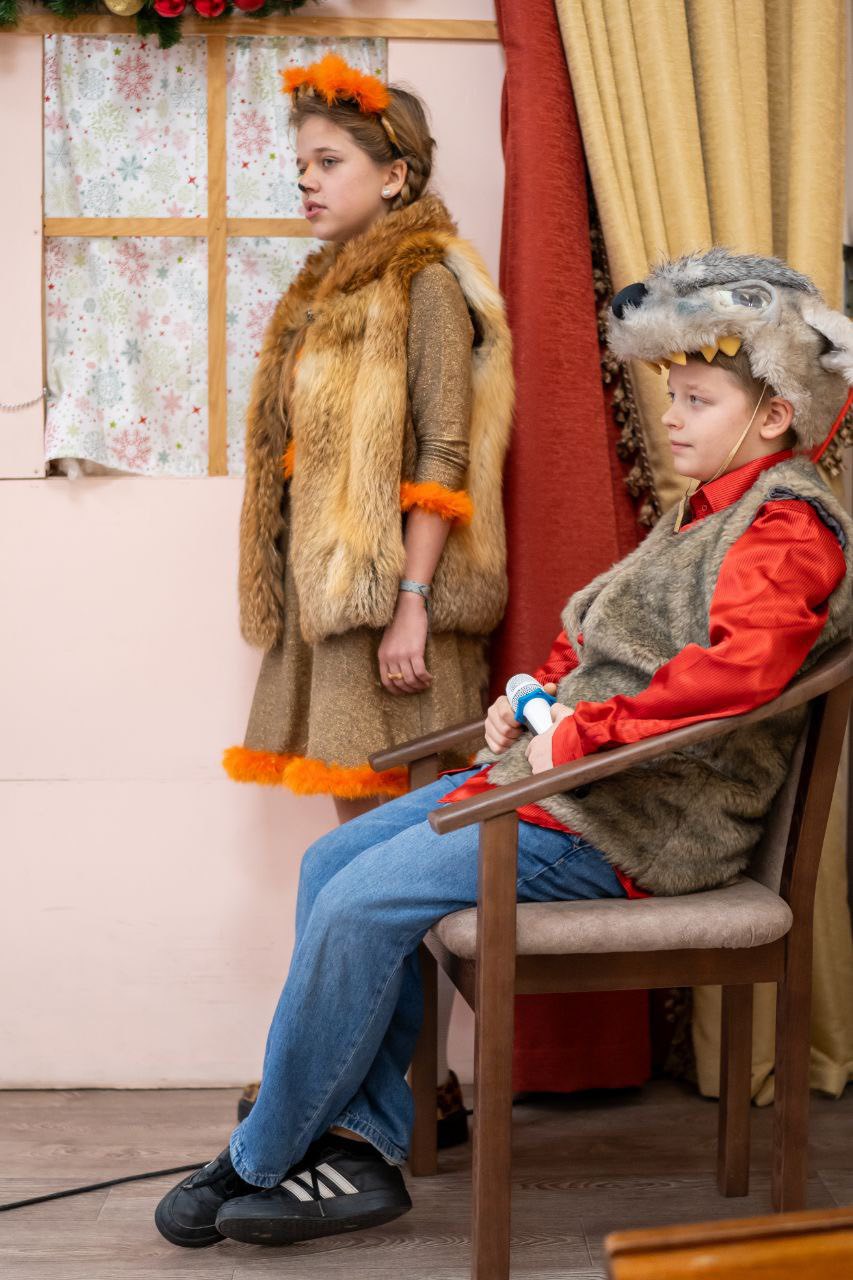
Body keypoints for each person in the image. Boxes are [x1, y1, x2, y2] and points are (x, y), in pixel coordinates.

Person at [155, 248, 853, 1250]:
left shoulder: (786, 529)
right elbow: (609, 639)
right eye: (671, 394)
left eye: (697, 401)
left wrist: (581, 729)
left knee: (358, 904)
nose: (670, 417)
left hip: (634, 819)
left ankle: (264, 1154)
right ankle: (358, 1144)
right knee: (329, 862)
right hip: (569, 779)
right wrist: (535, 698)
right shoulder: (703, 510)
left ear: (774, 413)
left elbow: (736, 677)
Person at [222, 53, 513, 1146]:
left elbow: (444, 450)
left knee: (398, 871)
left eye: (328, 161)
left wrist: (411, 603)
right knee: (363, 868)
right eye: (300, 163)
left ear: (393, 175)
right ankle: (375, 1083)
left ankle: (400, 1093)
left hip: (395, 616)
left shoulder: (426, 281)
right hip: (331, 614)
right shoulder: (325, 290)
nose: (306, 180)